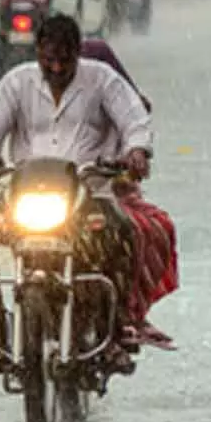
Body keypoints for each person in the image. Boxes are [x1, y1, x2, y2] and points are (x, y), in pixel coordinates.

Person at [0, 14, 152, 375]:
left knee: (123, 233)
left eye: (65, 59)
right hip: (23, 197)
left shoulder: (102, 80)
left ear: (79, 52)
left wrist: (137, 151)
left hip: (87, 196)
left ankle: (114, 336)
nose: (57, 67)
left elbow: (135, 121)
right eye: (49, 60)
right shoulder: (16, 83)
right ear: (38, 52)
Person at [79, 39, 178, 351]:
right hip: (44, 198)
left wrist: (131, 159)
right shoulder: (30, 91)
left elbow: (137, 132)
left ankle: (128, 313)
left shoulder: (119, 105)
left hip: (103, 194)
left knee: (147, 228)